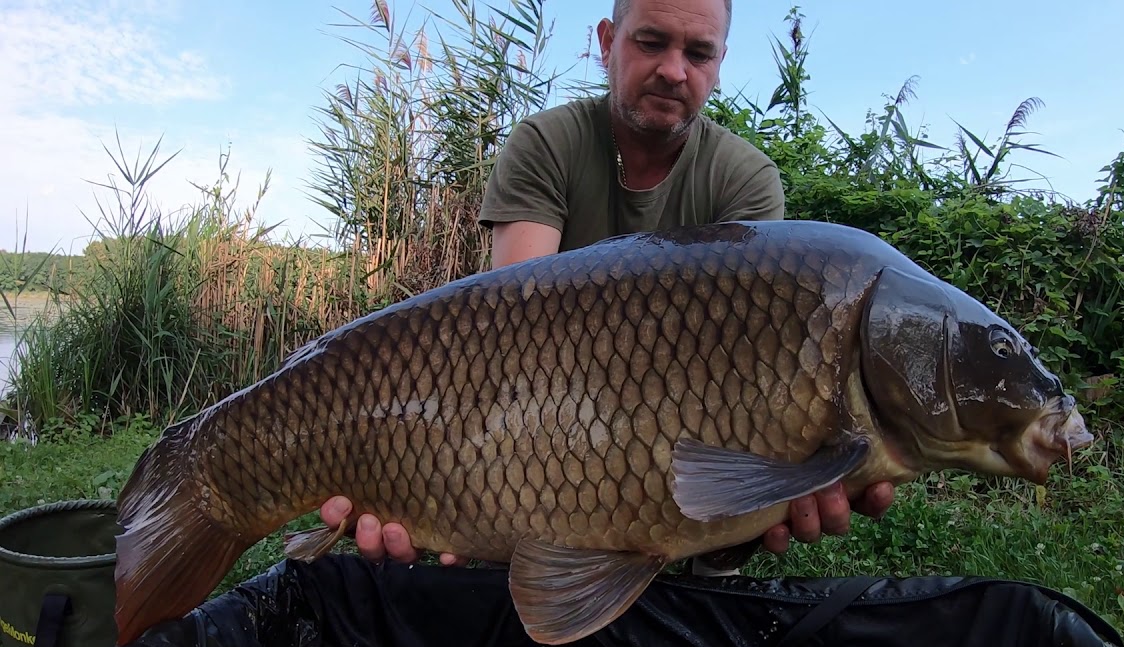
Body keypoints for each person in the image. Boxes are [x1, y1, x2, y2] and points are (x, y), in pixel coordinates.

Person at [318, 0, 896, 570]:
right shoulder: (548, 145)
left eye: (699, 53)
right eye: (651, 42)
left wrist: (795, 474)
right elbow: (507, 337)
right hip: (541, 429)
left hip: (684, 451)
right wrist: (433, 483)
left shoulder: (743, 178)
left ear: (719, 63)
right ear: (606, 41)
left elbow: (756, 379)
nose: (674, 70)